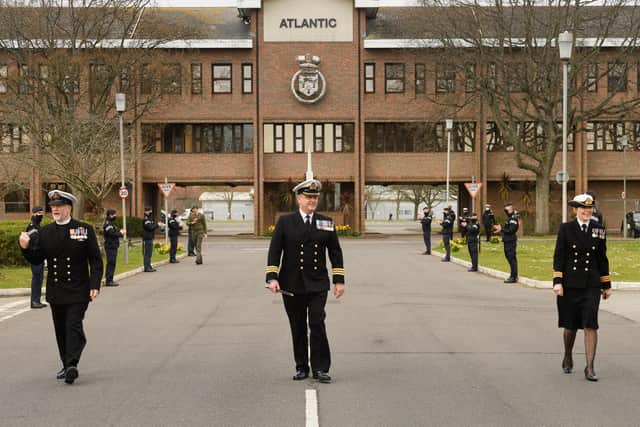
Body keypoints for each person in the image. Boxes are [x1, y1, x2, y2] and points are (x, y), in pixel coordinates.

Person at [19, 190, 102, 384]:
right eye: (53, 207)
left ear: (69, 208)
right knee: (60, 329)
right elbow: (38, 258)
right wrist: (25, 248)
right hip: (56, 290)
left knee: (73, 325)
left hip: (79, 289)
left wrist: (95, 284)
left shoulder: (83, 229)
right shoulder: (46, 232)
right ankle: (66, 364)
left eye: (59, 206)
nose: (55, 209)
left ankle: (72, 363)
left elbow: (95, 260)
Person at [265, 178, 345, 384]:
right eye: (308, 197)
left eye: (315, 197)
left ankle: (321, 368)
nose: (312, 201)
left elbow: (335, 252)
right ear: (299, 199)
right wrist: (272, 277)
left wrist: (339, 280)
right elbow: (275, 250)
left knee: (317, 323)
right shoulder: (285, 222)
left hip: (318, 283)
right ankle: (302, 366)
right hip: (291, 284)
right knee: (298, 325)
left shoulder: (325, 222)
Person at [552, 193, 612, 382]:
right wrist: (557, 282)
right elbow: (559, 256)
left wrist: (606, 284)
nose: (587, 211)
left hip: (591, 284)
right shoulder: (566, 229)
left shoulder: (598, 229)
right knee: (570, 326)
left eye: (589, 208)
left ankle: (590, 367)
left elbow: (602, 258)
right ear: (575, 210)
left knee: (590, 324)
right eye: (583, 208)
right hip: (570, 284)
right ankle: (568, 354)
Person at [26, 205, 47, 309]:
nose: (40, 215)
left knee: (39, 278)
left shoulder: (38, 226)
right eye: (38, 213)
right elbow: (33, 242)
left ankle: (37, 300)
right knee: (37, 278)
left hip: (39, 256)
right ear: (33, 214)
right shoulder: (32, 226)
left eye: (41, 213)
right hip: (35, 256)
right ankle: (34, 301)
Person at [494, 202, 519, 283]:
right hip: (507, 241)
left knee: (512, 258)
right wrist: (500, 230)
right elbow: (507, 230)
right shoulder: (509, 218)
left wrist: (501, 229)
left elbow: (511, 230)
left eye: (507, 208)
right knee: (509, 258)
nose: (505, 210)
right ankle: (512, 275)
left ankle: (513, 277)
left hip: (511, 241)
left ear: (511, 208)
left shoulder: (513, 219)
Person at [103, 208, 125, 286]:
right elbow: (112, 234)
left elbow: (114, 232)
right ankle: (109, 280)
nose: (115, 216)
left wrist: (120, 232)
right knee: (111, 263)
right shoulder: (108, 224)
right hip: (110, 246)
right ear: (110, 215)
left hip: (113, 246)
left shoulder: (111, 223)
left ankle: (110, 279)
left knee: (112, 263)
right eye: (114, 214)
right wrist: (121, 233)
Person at [142, 207, 158, 272]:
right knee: (147, 253)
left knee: (150, 253)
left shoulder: (149, 219)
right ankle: (146, 267)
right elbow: (150, 227)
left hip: (150, 238)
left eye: (151, 211)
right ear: (146, 212)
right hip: (147, 238)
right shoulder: (146, 220)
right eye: (149, 211)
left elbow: (152, 226)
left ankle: (149, 265)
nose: (150, 212)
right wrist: (157, 225)